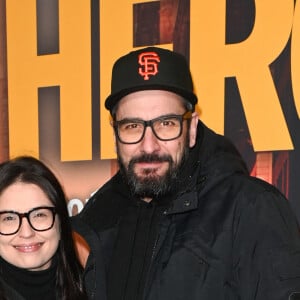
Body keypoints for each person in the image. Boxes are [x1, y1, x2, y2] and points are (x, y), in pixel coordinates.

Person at [72, 46, 300, 300]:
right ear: (116, 133)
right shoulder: (97, 223)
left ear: (191, 129)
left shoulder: (251, 209)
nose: (149, 146)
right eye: (132, 126)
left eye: (166, 123)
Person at [0, 156, 87, 300]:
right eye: (9, 218)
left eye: (39, 215)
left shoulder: (96, 289)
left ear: (60, 222)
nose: (27, 232)